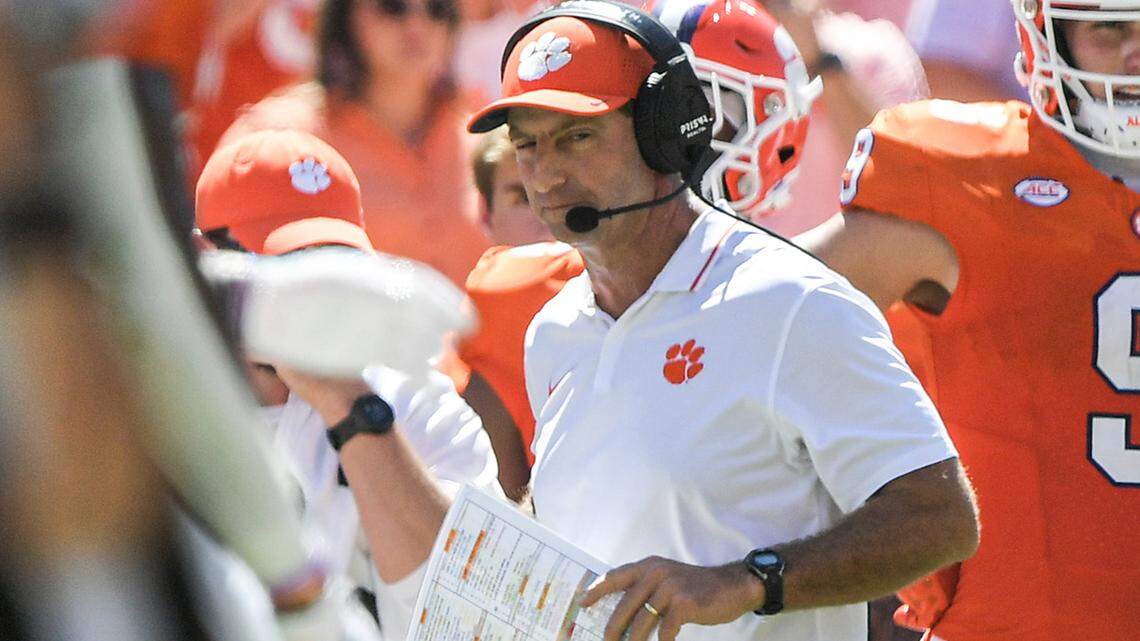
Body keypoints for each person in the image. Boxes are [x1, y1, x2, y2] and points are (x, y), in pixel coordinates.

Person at [466, 2, 979, 641]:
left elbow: (941, 520)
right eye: (526, 144)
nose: (544, 173)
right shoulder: (554, 332)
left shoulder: (791, 300)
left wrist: (747, 581)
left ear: (667, 134)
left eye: (577, 137)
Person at [795, 2, 1140, 640]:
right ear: (1050, 35)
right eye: (1109, 28)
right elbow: (759, 320)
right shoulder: (968, 182)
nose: (1136, 53)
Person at [458, 0, 821, 499]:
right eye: (693, 112)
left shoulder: (799, 295)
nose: (700, 134)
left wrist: (755, 580)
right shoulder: (538, 305)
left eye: (716, 115)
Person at [195, 128, 502, 641]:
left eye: (335, 269)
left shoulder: (412, 397)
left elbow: (471, 614)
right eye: (294, 270)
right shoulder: (152, 400)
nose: (319, 302)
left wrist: (348, 403)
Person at [217, 0, 492, 288]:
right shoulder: (276, 137)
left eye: (438, 10)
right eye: (393, 7)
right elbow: (225, 271)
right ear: (345, 14)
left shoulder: (486, 135)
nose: (416, 25)